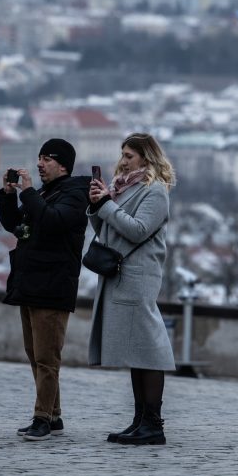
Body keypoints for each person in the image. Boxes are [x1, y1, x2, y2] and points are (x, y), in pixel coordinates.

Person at [87, 133, 176, 446]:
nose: (123, 161)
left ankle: (153, 423)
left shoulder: (155, 191)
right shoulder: (124, 186)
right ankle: (140, 420)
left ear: (146, 158)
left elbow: (138, 230)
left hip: (138, 276)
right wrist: (97, 206)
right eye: (122, 154)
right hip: (120, 273)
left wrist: (108, 205)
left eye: (129, 155)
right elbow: (108, 228)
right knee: (138, 350)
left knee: (148, 347)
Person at [0, 138, 89, 442]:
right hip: (31, 282)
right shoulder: (44, 193)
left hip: (53, 286)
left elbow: (52, 221)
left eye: (47, 159)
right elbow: (15, 224)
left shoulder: (75, 194)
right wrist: (9, 196)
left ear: (63, 164)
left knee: (47, 357)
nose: (39, 164)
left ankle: (41, 418)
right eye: (38, 158)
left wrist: (28, 193)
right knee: (35, 354)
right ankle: (55, 414)